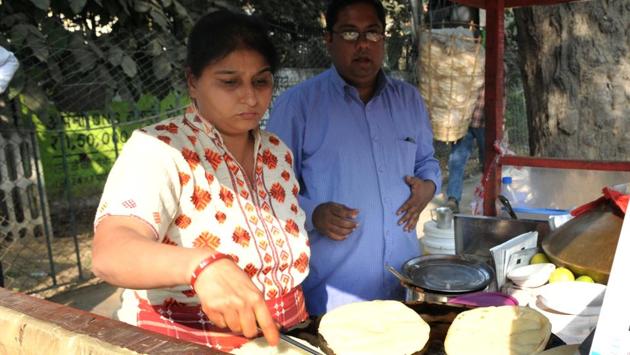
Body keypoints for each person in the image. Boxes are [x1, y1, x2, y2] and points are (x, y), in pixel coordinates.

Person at [92, 11, 311, 352]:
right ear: (193, 81)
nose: (250, 98)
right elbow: (110, 252)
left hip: (288, 335)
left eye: (261, 81)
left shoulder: (276, 151)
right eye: (229, 82)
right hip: (187, 342)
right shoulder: (160, 149)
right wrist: (201, 265)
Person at [267, 0, 441, 315]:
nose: (362, 45)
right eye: (349, 34)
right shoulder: (298, 106)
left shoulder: (409, 100)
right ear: (329, 40)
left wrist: (429, 186)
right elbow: (269, 189)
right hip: (333, 297)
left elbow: (427, 161)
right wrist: (312, 213)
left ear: (383, 39)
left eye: (372, 33)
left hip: (405, 287)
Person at [445, 89, 485, 214]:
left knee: (488, 163)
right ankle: (453, 198)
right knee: (456, 161)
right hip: (464, 121)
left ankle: (489, 198)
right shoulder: (466, 68)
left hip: (486, 121)